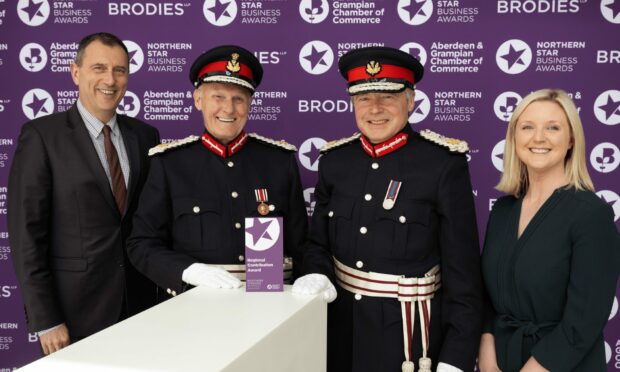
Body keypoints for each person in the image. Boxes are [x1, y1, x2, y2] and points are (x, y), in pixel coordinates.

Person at [292, 46, 483, 372]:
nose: (375, 108)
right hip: (340, 333)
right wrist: (316, 273)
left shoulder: (441, 165)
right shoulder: (336, 161)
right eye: (364, 98)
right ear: (352, 102)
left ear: (410, 102)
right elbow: (318, 245)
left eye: (388, 97)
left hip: (409, 341)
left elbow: (463, 277)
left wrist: (456, 358)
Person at [8, 32, 160, 355]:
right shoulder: (41, 137)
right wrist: (46, 320)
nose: (110, 79)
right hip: (73, 316)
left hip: (142, 309)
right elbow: (26, 236)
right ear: (75, 72)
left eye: (119, 70)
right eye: (99, 68)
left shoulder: (146, 136)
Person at [126, 45, 307, 297]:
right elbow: (141, 244)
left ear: (250, 103)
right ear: (198, 100)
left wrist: (310, 278)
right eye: (218, 97)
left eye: (238, 99)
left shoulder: (278, 162)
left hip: (265, 306)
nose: (229, 109)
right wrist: (187, 270)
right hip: (193, 306)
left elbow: (301, 245)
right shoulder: (169, 164)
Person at [478, 89, 620, 372]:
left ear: (570, 140)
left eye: (552, 128)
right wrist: (488, 355)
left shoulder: (591, 214)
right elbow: (487, 300)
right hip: (502, 362)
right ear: (514, 138)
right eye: (527, 127)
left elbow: (584, 319)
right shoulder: (504, 211)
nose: (538, 138)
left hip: (564, 365)